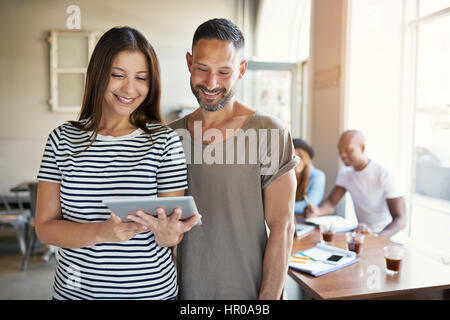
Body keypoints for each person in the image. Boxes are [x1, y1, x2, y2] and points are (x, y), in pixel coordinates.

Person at [35, 26, 200, 300]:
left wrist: (170, 234)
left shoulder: (165, 142)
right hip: (76, 293)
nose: (129, 88)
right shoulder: (62, 139)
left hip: (150, 293)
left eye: (141, 78)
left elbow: (171, 238)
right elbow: (45, 228)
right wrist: (102, 231)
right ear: (98, 74)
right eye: (117, 75)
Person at [166, 18, 299, 299]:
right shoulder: (170, 137)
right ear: (189, 63)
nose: (211, 83)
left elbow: (283, 227)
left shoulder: (269, 132)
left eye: (224, 72)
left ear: (241, 70)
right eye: (202, 69)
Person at [305, 130, 407, 238]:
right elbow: (331, 203)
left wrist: (377, 238)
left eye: (348, 150)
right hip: (362, 235)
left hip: (387, 239)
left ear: (362, 148)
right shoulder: (345, 172)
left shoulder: (384, 172)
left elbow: (401, 219)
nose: (342, 155)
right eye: (340, 151)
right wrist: (317, 211)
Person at [293, 139, 326, 215]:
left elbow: (310, 204)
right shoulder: (284, 176)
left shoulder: (318, 177)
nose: (295, 161)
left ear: (306, 159)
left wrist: (281, 207)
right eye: (292, 157)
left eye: (300, 157)